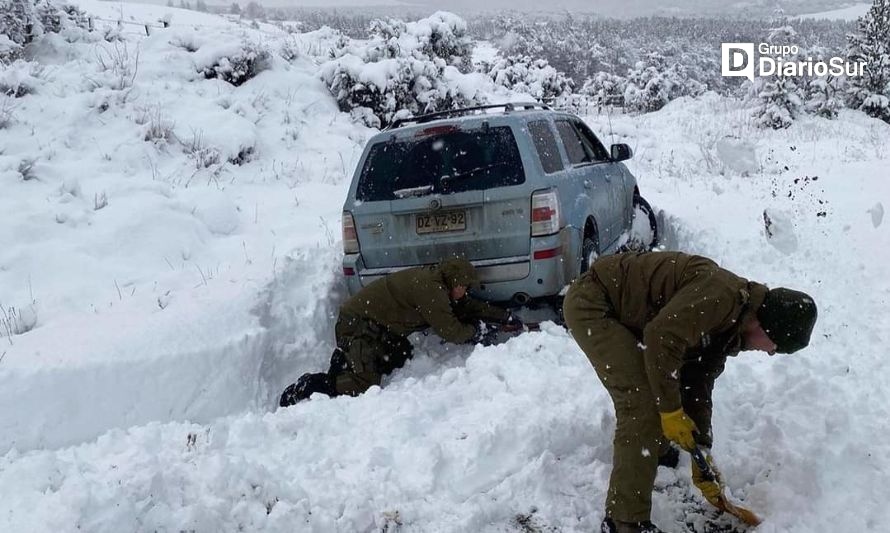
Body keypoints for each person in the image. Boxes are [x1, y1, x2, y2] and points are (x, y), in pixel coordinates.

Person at [562, 251, 817, 533]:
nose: (770, 353)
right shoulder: (720, 298)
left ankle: (654, 449)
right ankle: (625, 521)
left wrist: (701, 450)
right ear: (764, 326)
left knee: (665, 382)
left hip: (631, 315)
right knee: (643, 402)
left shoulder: (733, 326)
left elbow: (697, 382)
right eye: (775, 346)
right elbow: (661, 337)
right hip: (594, 303)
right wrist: (670, 413)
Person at [280, 257, 519, 406]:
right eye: (464, 286)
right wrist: (477, 331)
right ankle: (314, 384)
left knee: (399, 356)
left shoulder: (439, 284)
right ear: (454, 281)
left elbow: (467, 306)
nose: (465, 292)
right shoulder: (431, 291)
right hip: (357, 326)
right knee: (365, 385)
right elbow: (451, 331)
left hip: (378, 328)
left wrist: (502, 316)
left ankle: (348, 358)